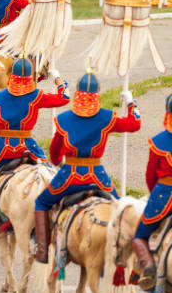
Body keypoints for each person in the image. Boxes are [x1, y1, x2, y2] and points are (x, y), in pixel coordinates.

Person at [33, 68, 141, 263]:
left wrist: (57, 163)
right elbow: (134, 125)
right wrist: (131, 103)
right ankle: (126, 256)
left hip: (70, 177)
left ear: (77, 94)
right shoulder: (107, 117)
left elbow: (55, 153)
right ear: (97, 94)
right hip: (97, 177)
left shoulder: (64, 119)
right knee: (120, 209)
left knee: (41, 202)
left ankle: (42, 250)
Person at [0, 56, 70, 233]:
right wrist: (58, 80)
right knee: (49, 171)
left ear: (11, 75)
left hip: (2, 147)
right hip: (28, 146)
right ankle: (59, 212)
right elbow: (64, 98)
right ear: (31, 77)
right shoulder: (37, 96)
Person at [132, 94, 172, 291]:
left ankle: (147, 268)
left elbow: (150, 176)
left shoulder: (157, 142)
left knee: (139, 235)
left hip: (163, 195)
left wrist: (154, 196)